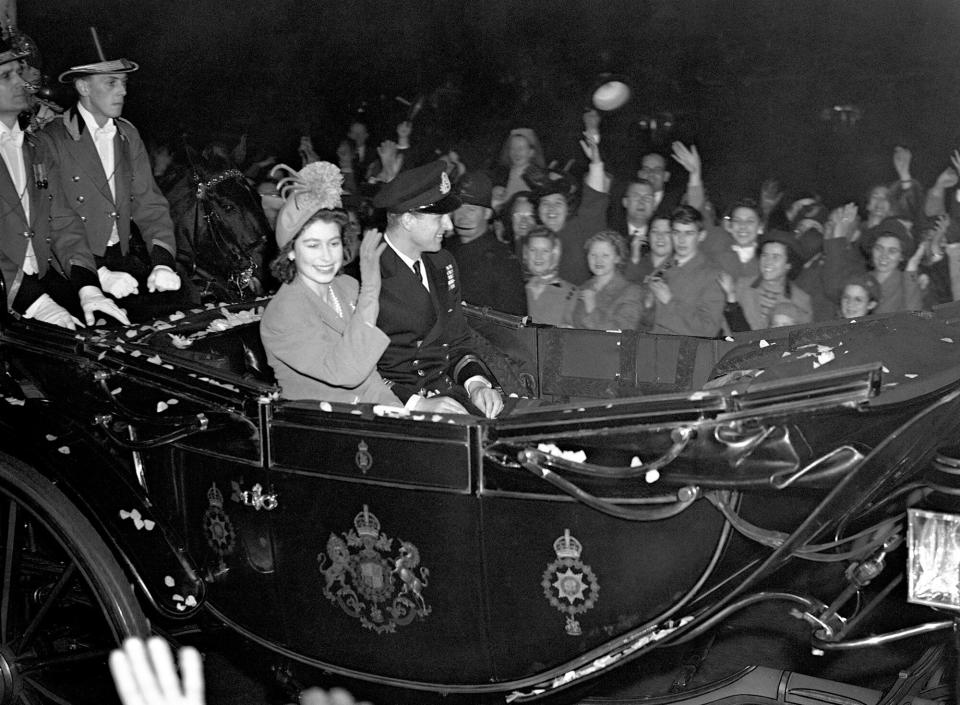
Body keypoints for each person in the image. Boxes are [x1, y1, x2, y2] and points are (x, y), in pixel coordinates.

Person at [40, 44, 181, 324]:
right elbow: (56, 221)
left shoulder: (127, 134)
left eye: (124, 83)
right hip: (71, 268)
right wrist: (97, 275)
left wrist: (163, 262)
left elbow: (149, 203)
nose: (123, 91)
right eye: (111, 82)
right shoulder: (51, 139)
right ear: (83, 87)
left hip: (121, 260)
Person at [260, 161, 400, 405]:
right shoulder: (284, 311)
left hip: (365, 417)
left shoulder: (346, 286)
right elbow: (346, 372)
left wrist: (405, 410)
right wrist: (371, 289)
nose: (326, 256)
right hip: (316, 427)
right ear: (290, 252)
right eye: (313, 245)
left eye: (333, 243)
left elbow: (369, 378)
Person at [372, 160, 504, 418]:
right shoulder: (368, 274)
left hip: (447, 392)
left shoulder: (442, 263)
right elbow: (360, 371)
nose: (450, 226)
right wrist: (414, 404)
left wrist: (476, 383)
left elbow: (455, 340)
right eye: (440, 217)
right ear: (408, 220)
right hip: (395, 405)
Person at [0, 37, 84, 328]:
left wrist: (87, 283)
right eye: (6, 75)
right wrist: (38, 303)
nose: (21, 82)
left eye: (20, 72)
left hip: (42, 278)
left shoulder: (35, 147)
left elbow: (60, 218)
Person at [446, 169, 526, 315]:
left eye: (471, 210)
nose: (462, 216)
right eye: (458, 208)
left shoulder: (503, 261)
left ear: (487, 213)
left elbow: (513, 321)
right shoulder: (443, 250)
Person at [650, 205, 725, 337]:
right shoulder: (666, 264)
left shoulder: (712, 275)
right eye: (676, 232)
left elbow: (708, 330)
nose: (681, 240)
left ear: (701, 236)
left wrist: (669, 301)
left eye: (689, 233)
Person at [720, 231, 813, 331]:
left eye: (775, 257)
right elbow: (727, 328)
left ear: (789, 264)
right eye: (764, 255)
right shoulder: (741, 286)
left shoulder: (800, 300)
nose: (768, 262)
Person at [570, 230, 647, 331]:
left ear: (617, 258)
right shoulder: (583, 288)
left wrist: (591, 308)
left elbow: (621, 332)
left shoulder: (632, 292)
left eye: (605, 255)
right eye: (593, 254)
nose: (598, 260)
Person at [861, 217, 925, 314]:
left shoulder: (909, 283)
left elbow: (915, 315)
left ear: (902, 256)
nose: (884, 256)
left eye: (892, 251)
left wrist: (912, 267)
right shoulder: (861, 280)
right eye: (879, 248)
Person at [523, 226, 577, 326]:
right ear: (526, 254)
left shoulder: (570, 293)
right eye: (533, 250)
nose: (538, 256)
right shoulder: (517, 289)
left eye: (545, 251)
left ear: (555, 254)